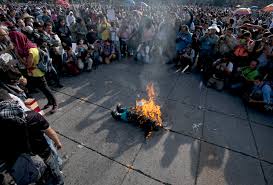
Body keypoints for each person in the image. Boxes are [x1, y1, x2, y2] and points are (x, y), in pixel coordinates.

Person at [0, 89, 64, 185]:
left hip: (21, 161)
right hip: (44, 153)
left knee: (34, 179)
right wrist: (58, 143)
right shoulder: (32, 116)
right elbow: (50, 132)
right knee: (54, 174)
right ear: (11, 101)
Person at [9, 31, 58, 113]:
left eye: (13, 40)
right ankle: (50, 102)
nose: (13, 42)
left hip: (37, 72)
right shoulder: (24, 48)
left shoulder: (31, 50)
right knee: (42, 88)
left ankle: (55, 104)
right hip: (32, 73)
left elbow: (28, 65)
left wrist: (17, 55)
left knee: (46, 88)